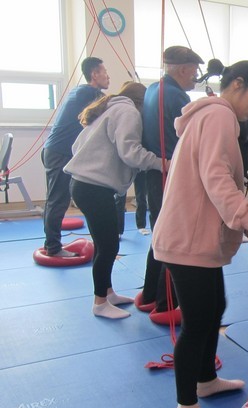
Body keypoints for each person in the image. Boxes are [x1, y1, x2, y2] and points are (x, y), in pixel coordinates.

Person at [152, 61, 248, 408]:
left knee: (214, 308)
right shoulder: (219, 115)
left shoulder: (214, 115)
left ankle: (206, 379)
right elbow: (216, 177)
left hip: (194, 237)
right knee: (197, 323)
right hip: (187, 240)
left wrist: (245, 224)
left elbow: (218, 179)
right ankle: (186, 405)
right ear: (237, 84)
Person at [64, 82, 164, 319]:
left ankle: (107, 293)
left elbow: (77, 146)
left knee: (102, 244)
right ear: (143, 103)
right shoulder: (128, 112)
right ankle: (99, 302)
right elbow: (131, 153)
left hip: (83, 185)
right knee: (109, 246)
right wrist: (162, 163)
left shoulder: (109, 108)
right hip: (94, 188)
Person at [139, 45, 204, 319]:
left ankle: (150, 294)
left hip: (156, 172)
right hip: (171, 172)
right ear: (183, 69)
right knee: (174, 238)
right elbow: (192, 138)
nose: (196, 76)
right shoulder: (177, 96)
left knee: (160, 233)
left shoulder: (152, 89)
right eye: (194, 70)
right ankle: (166, 303)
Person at [41, 57, 109, 257]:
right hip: (59, 153)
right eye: (105, 72)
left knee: (55, 200)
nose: (108, 77)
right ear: (94, 74)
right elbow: (111, 108)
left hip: (55, 151)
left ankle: (51, 244)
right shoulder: (90, 94)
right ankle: (53, 247)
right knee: (58, 201)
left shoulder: (80, 92)